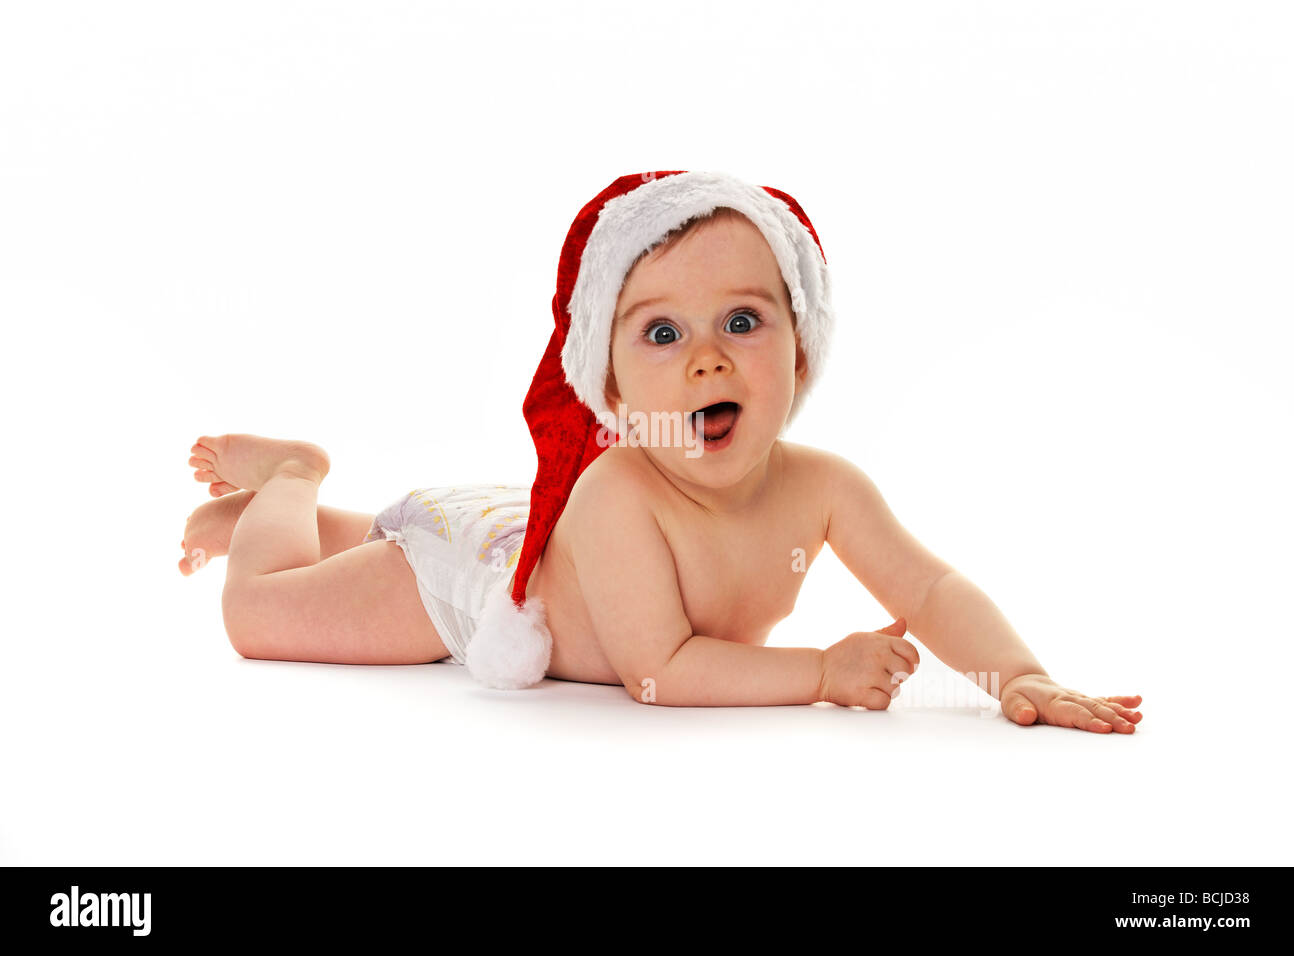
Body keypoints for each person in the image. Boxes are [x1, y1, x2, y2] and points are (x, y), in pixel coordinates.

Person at [179, 169, 1143, 731]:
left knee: (407, 531)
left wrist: (1014, 674)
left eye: (741, 320)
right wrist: (820, 671)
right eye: (662, 334)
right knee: (262, 618)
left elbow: (928, 590)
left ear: (801, 346)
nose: (708, 358)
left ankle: (323, 518)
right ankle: (292, 482)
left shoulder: (827, 487)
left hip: (530, 529)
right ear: (607, 381)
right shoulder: (614, 494)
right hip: (471, 581)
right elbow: (659, 671)